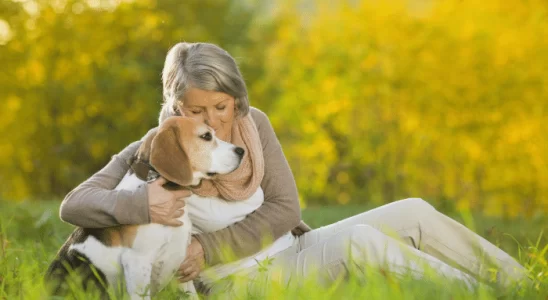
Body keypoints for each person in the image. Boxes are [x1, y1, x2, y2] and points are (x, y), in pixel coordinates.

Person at [59, 42, 527, 296]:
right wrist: (142, 202)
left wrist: (205, 244)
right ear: (174, 104)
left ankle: (523, 286)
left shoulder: (253, 124)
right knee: (363, 243)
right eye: (195, 110)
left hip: (295, 245)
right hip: (242, 282)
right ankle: (479, 296)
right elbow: (74, 205)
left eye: (221, 106)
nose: (212, 121)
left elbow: (286, 209)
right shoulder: (154, 151)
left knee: (414, 210)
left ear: (236, 99)